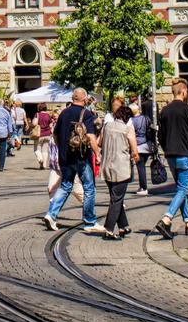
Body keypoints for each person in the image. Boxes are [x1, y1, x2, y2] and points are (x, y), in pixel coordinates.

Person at [42, 88, 103, 234]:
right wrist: (97, 153)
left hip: (65, 157)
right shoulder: (86, 114)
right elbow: (90, 136)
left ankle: (51, 214)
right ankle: (90, 222)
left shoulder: (63, 113)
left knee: (65, 186)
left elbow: (55, 135)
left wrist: (63, 148)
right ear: (84, 99)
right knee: (89, 188)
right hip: (81, 157)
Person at [154, 79, 188, 239]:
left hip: (170, 155)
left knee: (180, 189)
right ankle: (166, 219)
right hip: (184, 154)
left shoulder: (164, 111)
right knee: (183, 189)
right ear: (183, 91)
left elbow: (160, 135)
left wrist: (166, 148)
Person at [100, 97, 138, 239]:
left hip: (107, 166)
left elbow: (99, 142)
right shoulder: (127, 129)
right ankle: (109, 229)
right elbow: (134, 151)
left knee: (116, 196)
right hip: (121, 168)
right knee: (116, 199)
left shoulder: (107, 126)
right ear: (127, 118)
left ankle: (123, 226)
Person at [130, 101, 155, 195]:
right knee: (142, 166)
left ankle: (143, 187)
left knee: (141, 168)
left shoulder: (131, 121)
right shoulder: (146, 118)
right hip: (147, 146)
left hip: (138, 147)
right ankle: (142, 186)